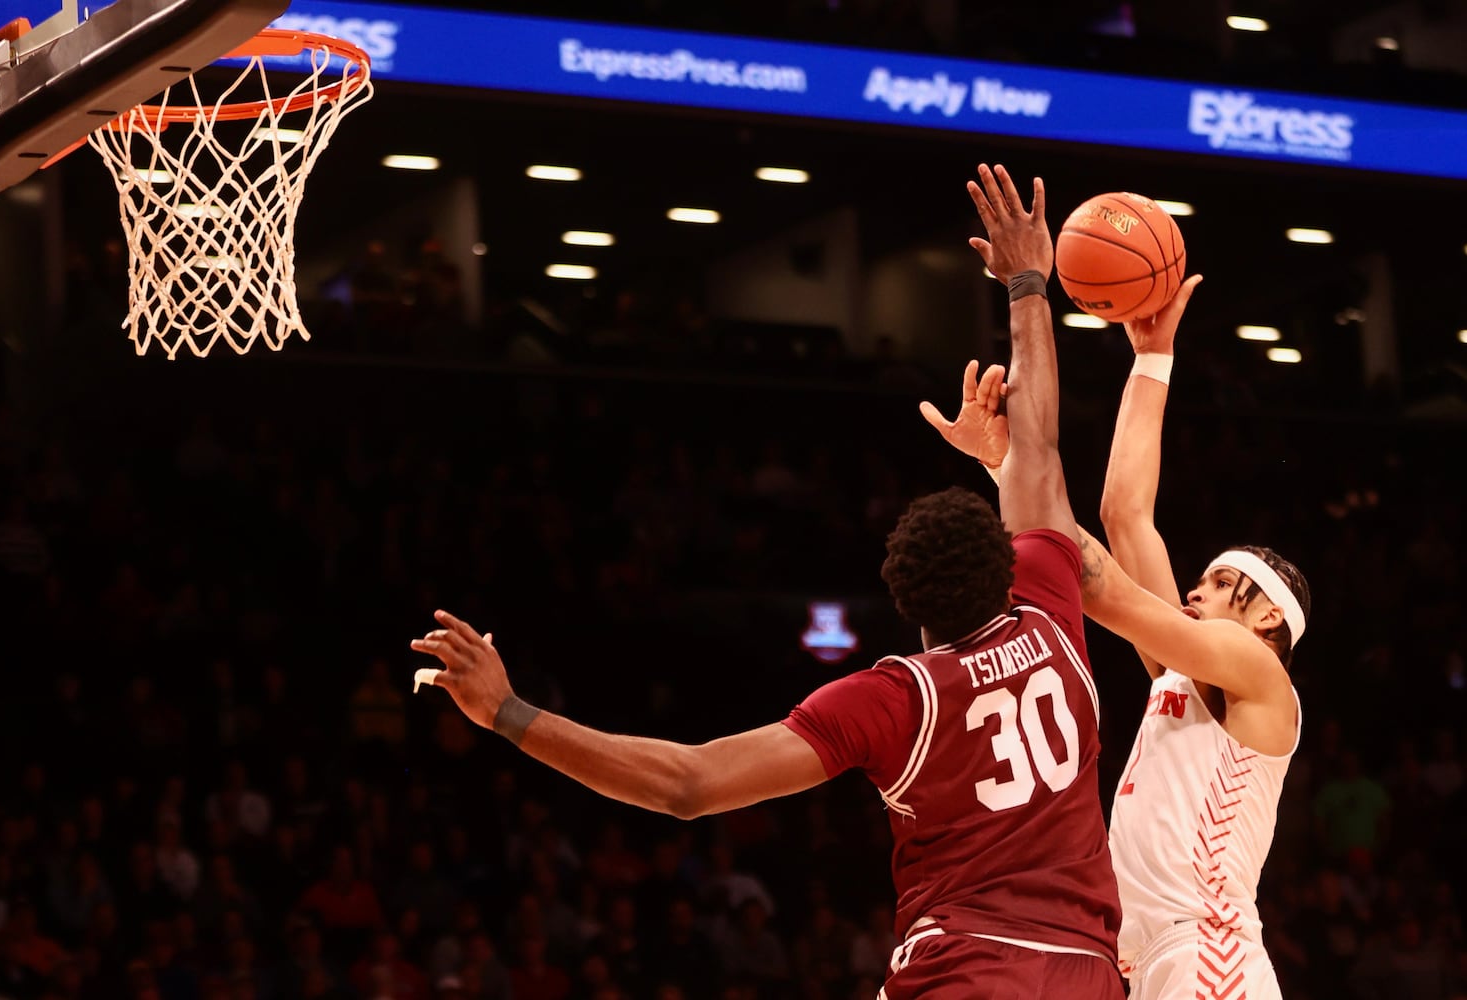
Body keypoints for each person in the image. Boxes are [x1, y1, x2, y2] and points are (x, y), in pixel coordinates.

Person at [410, 164, 1125, 999]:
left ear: (905, 602)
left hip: (962, 971)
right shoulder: (1049, 603)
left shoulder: (893, 698)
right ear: (1005, 566)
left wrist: (508, 713)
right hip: (1086, 974)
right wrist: (1027, 285)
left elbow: (688, 784)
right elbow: (1037, 446)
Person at [934, 279, 1310, 1000]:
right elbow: (1124, 514)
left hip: (1206, 948)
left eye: (1219, 586)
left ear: (1268, 619)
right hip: (1137, 959)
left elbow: (1098, 581)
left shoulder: (1257, 673)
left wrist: (1013, 469)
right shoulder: (1183, 676)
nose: (1193, 592)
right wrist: (1154, 357)